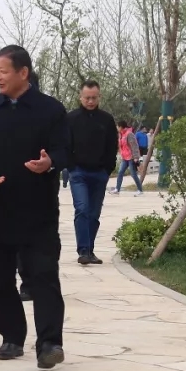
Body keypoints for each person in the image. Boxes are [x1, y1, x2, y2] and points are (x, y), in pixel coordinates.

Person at [0, 45, 69, 370]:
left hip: (38, 209)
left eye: (3, 71)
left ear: (23, 73)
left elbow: (64, 150)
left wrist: (50, 162)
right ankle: (11, 337)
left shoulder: (51, 109)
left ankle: (49, 343)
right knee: (1, 279)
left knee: (43, 276)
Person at [67, 80, 119, 266]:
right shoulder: (71, 119)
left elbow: (112, 146)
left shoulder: (106, 120)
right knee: (82, 209)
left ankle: (89, 250)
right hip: (78, 172)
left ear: (99, 97)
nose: (90, 101)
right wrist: (70, 166)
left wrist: (107, 169)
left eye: (94, 98)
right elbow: (65, 144)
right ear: (80, 97)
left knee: (94, 213)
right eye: (87, 98)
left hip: (99, 173)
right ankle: (83, 251)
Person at [111, 120, 144, 195]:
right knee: (120, 172)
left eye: (117, 126)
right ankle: (117, 189)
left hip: (131, 157)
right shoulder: (121, 134)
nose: (116, 128)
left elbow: (134, 146)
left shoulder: (129, 134)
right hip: (124, 157)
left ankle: (140, 190)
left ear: (121, 127)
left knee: (133, 174)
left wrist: (136, 157)